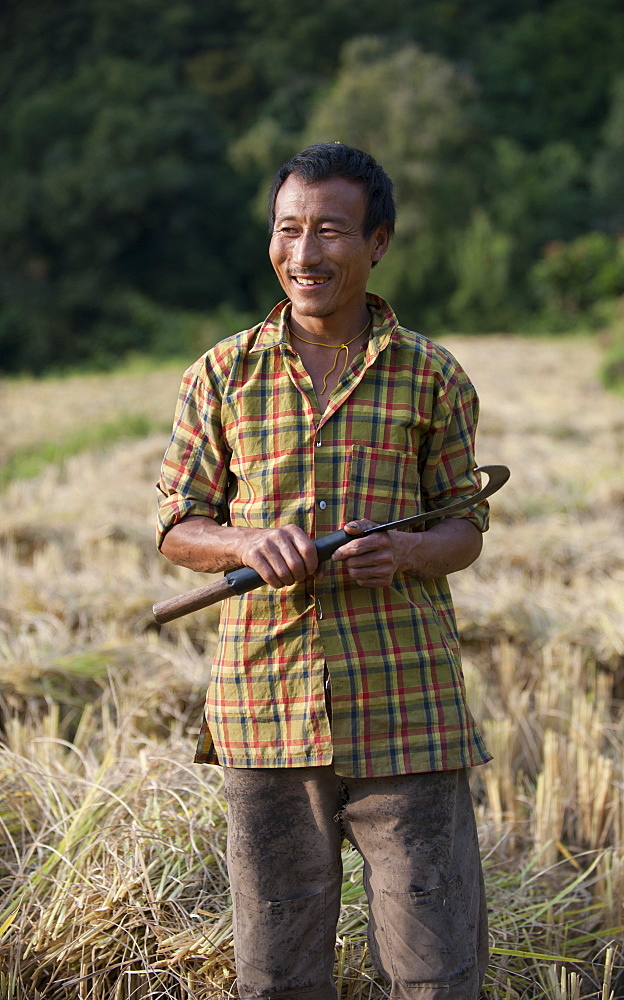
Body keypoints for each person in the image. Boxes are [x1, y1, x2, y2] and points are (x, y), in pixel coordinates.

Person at [156, 142, 492, 1000]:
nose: (304, 255)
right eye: (288, 229)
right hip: (266, 712)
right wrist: (243, 543)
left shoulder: (431, 376)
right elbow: (177, 528)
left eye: (330, 231)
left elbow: (464, 525)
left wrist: (406, 551)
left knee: (435, 972)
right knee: (276, 976)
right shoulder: (221, 375)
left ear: (377, 241)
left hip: (408, 713)